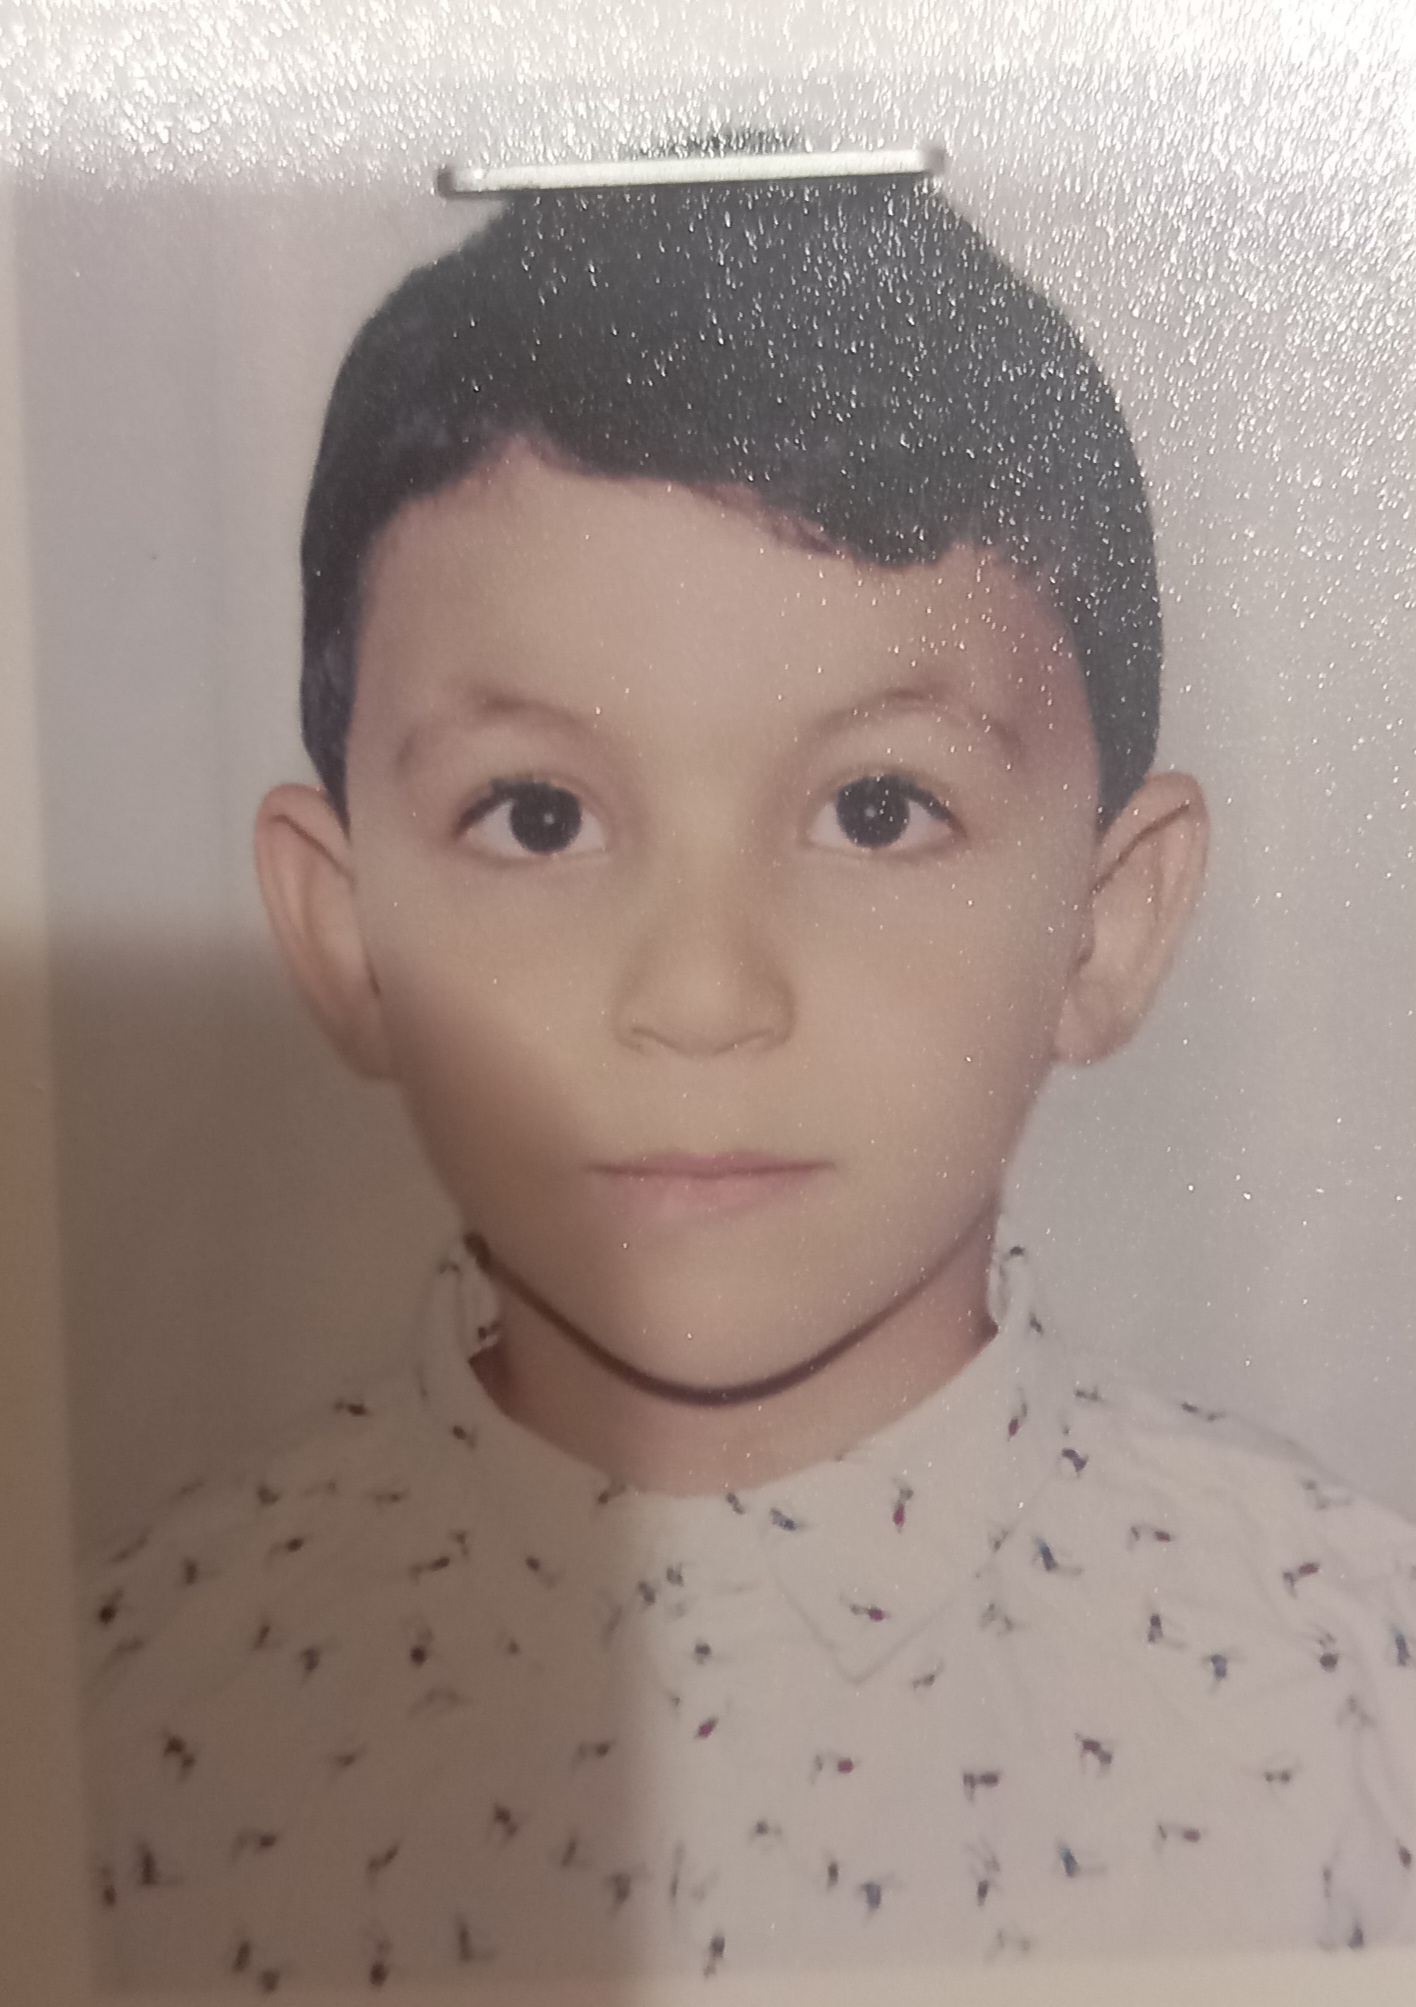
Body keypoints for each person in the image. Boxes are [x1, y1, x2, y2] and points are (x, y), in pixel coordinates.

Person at [82, 150, 1416, 1992]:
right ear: (343, 927)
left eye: (875, 810)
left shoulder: (1351, 1695)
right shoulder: (123, 1729)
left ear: (1104, 925)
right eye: (538, 816)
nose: (701, 997)